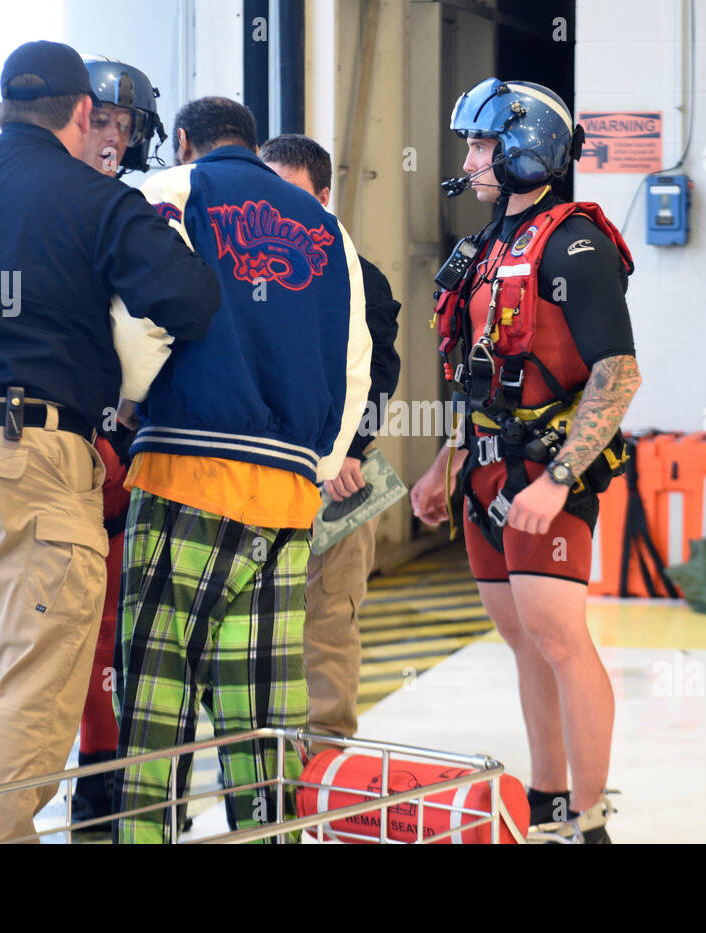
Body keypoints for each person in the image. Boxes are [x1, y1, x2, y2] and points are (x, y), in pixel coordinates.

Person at [0, 40, 220, 843]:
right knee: (37, 675)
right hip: (28, 456)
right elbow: (191, 303)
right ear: (77, 114)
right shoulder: (97, 201)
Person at [112, 97, 372, 843]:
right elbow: (353, 362)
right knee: (263, 718)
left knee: (157, 707)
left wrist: (130, 400)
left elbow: (139, 316)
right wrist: (318, 460)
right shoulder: (329, 230)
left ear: (185, 141)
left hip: (185, 475)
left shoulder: (174, 191)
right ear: (255, 148)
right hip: (288, 498)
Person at [409, 78, 642, 844]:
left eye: (479, 144)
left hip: (545, 473)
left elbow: (618, 372)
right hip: (480, 472)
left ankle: (589, 815)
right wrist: (445, 465)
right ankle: (545, 797)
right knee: (522, 639)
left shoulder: (575, 242)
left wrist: (562, 476)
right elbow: (476, 369)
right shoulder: (482, 249)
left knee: (560, 636)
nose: (469, 159)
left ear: (521, 147)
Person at [258, 133, 401, 745]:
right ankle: (257, 765)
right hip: (260, 475)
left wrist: (348, 452)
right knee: (255, 628)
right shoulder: (246, 270)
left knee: (328, 623)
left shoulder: (360, 277)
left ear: (324, 197)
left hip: (342, 479)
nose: (281, 211)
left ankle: (324, 768)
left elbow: (379, 375)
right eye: (269, 195)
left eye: (294, 197)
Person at [67, 55, 169, 827]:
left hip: (115, 449)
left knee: (113, 631)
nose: (110, 135)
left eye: (122, 124)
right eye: (98, 118)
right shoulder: (57, 206)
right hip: (49, 443)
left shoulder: (140, 209)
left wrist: (132, 412)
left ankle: (103, 780)